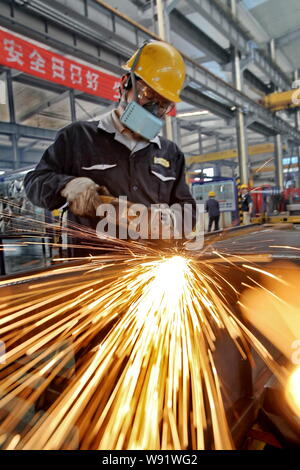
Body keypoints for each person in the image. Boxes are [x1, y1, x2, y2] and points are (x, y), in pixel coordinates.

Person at [24, 41, 196, 256]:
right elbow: (33, 183)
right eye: (148, 96)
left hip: (151, 272)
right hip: (92, 273)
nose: (154, 110)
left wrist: (167, 221)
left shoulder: (170, 154)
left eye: (163, 104)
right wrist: (67, 185)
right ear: (125, 83)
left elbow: (188, 209)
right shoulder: (78, 137)